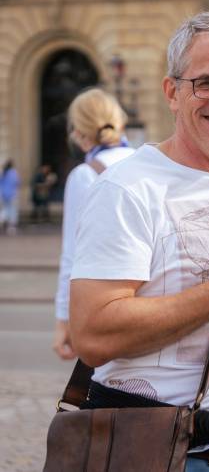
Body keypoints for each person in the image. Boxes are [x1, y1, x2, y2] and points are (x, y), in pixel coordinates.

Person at [69, 12, 209, 470]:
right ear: (172, 92)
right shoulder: (128, 189)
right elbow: (93, 334)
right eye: (208, 83)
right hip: (159, 451)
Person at [52, 88, 135, 360]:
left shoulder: (85, 175)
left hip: (107, 303)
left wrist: (64, 319)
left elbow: (72, 253)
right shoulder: (147, 161)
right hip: (152, 301)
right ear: (120, 122)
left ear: (77, 133)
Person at [0, 160, 19, 235]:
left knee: (5, 209)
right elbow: (17, 182)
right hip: (12, 194)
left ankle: (2, 219)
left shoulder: (3, 172)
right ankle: (11, 226)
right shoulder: (13, 173)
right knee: (12, 210)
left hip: (4, 194)